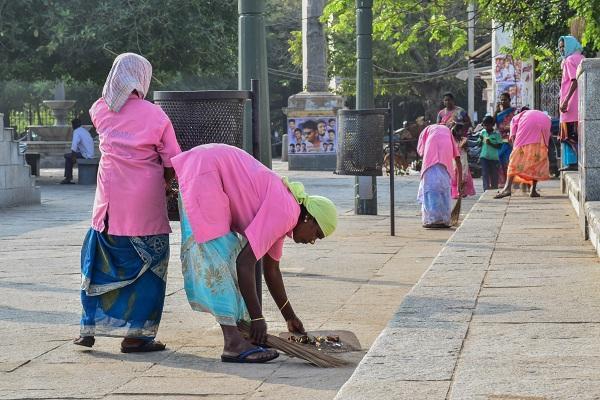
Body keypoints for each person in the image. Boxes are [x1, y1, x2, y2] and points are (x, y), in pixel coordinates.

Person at [171, 144, 338, 363]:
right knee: (220, 259)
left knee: (229, 254)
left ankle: (239, 335)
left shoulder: (287, 214)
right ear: (309, 218)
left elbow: (272, 270)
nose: (312, 241)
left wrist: (290, 317)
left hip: (206, 169)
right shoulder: (286, 212)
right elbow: (245, 264)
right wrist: (258, 318)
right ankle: (233, 342)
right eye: (317, 234)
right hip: (205, 171)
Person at [73, 53, 182, 352]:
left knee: (98, 263)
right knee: (151, 267)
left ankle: (89, 326)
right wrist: (165, 182)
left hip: (107, 204)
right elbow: (173, 159)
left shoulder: (99, 109)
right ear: (141, 78)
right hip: (144, 204)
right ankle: (137, 335)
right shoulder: (155, 115)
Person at [494, 108, 551, 199]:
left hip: (530, 133)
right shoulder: (539, 114)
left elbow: (513, 137)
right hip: (544, 124)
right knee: (536, 162)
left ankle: (507, 188)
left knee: (513, 162)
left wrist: (515, 150)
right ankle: (533, 190)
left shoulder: (515, 118)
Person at [417, 124, 462, 228]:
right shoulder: (448, 133)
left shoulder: (428, 130)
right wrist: (459, 183)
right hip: (445, 168)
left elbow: (421, 151)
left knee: (431, 191)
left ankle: (433, 220)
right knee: (443, 191)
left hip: (430, 166)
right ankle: (444, 219)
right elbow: (458, 160)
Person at [558, 35, 585, 171]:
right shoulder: (581, 58)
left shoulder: (569, 60)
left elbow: (574, 80)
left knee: (568, 135)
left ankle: (573, 163)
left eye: (564, 46)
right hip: (579, 104)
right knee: (577, 135)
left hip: (570, 105)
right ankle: (579, 162)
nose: (562, 49)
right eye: (560, 47)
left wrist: (565, 101)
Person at [61, 118, 95, 184]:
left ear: (74, 125)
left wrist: (73, 157)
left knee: (67, 157)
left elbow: (74, 145)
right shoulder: (83, 130)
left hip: (86, 155)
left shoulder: (76, 131)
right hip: (89, 153)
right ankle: (69, 177)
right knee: (70, 156)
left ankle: (68, 178)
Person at [493, 92, 516, 186]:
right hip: (500, 140)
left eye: (505, 99)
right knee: (500, 159)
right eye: (501, 100)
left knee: (509, 160)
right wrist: (496, 110)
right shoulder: (499, 113)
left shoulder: (514, 111)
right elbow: (493, 123)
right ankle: (502, 182)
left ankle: (511, 181)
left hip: (510, 140)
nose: (503, 101)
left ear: (509, 100)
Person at [450, 119, 476, 199]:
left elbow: (467, 148)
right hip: (454, 161)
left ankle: (462, 191)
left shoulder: (464, 140)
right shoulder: (452, 140)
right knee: (454, 176)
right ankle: (455, 192)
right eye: (460, 130)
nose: (461, 132)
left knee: (464, 175)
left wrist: (466, 146)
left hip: (463, 160)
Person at [478, 116, 502, 191]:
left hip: (494, 158)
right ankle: (486, 189)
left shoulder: (497, 134)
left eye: (487, 125)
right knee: (485, 174)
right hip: (484, 156)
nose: (485, 127)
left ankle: (494, 189)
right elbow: (479, 144)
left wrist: (491, 143)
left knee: (494, 174)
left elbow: (499, 146)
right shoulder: (483, 132)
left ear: (492, 124)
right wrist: (480, 140)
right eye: (484, 125)